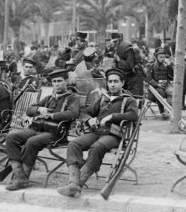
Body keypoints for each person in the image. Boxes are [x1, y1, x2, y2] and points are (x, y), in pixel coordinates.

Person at [57, 68, 139, 198]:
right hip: (96, 132)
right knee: (74, 144)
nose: (112, 84)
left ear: (122, 83)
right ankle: (73, 183)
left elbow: (134, 115)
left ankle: (78, 185)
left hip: (113, 135)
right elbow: (85, 112)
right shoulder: (102, 98)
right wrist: (90, 120)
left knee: (97, 147)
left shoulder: (128, 100)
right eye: (110, 81)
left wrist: (112, 116)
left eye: (116, 81)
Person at [0, 69, 80, 190]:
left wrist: (52, 115)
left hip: (56, 133)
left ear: (66, 81)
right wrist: (39, 110)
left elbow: (73, 113)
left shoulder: (72, 98)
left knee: (32, 142)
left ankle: (24, 176)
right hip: (37, 129)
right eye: (54, 81)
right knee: (11, 138)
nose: (57, 84)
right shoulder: (48, 98)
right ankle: (20, 176)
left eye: (60, 81)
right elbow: (29, 110)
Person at [146, 48, 174, 119]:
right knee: (160, 93)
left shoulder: (167, 65)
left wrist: (170, 66)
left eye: (164, 57)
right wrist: (157, 84)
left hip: (166, 85)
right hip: (155, 86)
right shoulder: (151, 65)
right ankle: (162, 111)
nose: (162, 59)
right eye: (160, 57)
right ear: (156, 57)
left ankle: (167, 110)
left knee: (172, 92)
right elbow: (148, 78)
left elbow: (172, 76)